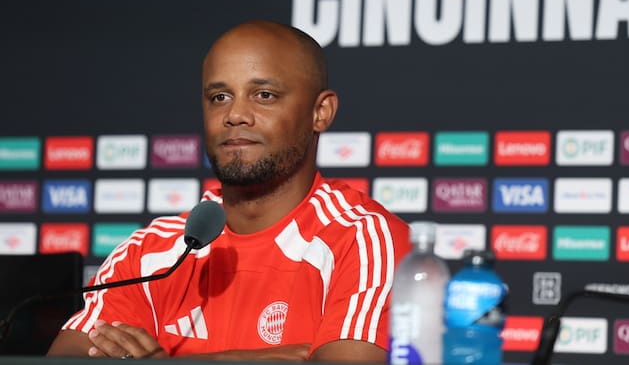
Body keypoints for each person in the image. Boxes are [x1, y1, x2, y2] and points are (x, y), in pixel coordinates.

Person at [47, 20, 412, 361]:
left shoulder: (362, 240)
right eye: (220, 97)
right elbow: (67, 357)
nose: (235, 115)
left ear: (321, 112)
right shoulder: (150, 254)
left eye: (264, 95)